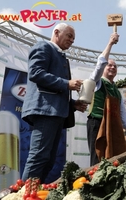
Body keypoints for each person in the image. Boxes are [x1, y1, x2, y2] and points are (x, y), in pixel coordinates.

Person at [21, 23, 87, 183]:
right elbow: (36, 73)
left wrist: (73, 104)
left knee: (48, 160)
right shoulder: (43, 46)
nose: (72, 40)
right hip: (45, 111)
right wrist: (67, 83)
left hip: (56, 113)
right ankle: (22, 194)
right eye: (69, 36)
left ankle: (34, 193)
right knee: (38, 157)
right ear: (56, 32)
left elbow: (55, 92)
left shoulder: (62, 57)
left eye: (73, 38)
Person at [87, 34, 126, 166]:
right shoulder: (97, 82)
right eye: (109, 65)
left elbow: (123, 115)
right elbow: (100, 64)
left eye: (115, 66)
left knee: (112, 157)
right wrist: (110, 43)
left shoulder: (117, 92)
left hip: (111, 126)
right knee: (97, 156)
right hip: (97, 122)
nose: (112, 67)